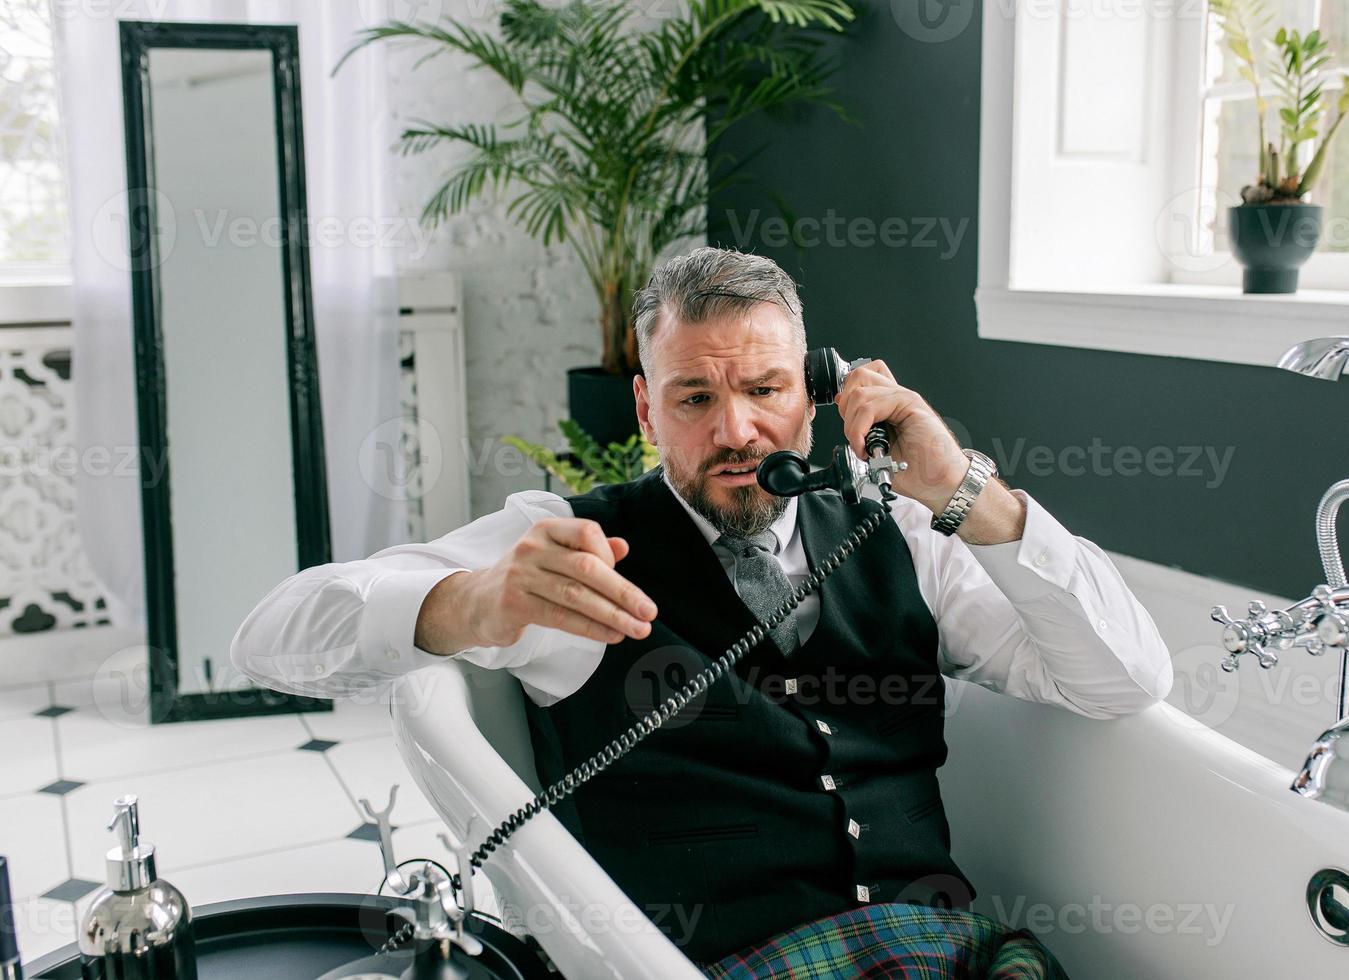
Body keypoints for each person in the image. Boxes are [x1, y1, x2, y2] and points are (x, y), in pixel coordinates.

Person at [233, 246, 1173, 978]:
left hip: (937, 952)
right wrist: (473, 602)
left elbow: (1125, 679)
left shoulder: (909, 534)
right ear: (646, 411)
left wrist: (968, 490)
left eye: (765, 390)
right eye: (695, 398)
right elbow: (272, 635)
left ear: (817, 395)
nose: (736, 431)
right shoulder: (569, 546)